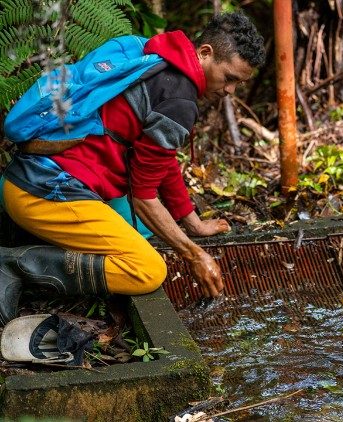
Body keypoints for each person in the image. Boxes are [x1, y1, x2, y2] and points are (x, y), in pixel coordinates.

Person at [0, 13, 266, 325]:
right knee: (147, 270)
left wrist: (193, 225)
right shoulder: (179, 100)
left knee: (145, 229)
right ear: (205, 53)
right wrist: (194, 255)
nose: (230, 90)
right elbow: (143, 198)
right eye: (230, 78)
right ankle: (16, 264)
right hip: (44, 195)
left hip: (20, 180)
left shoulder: (152, 53)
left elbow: (160, 161)